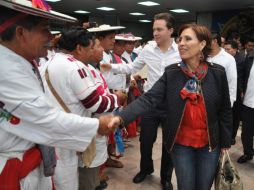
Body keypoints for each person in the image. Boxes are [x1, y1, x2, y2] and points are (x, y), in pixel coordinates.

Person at [0, 1, 114, 189]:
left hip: (33, 154)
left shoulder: (22, 61)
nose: (51, 36)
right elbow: (44, 119)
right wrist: (97, 126)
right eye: (44, 29)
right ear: (20, 33)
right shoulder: (6, 69)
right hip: (15, 163)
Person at [107, 24, 232, 190]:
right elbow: (149, 98)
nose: (181, 43)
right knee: (186, 185)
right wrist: (121, 117)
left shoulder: (218, 73)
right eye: (180, 39)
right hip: (181, 143)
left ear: (202, 44)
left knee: (204, 186)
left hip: (209, 145)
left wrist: (225, 142)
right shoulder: (172, 73)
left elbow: (224, 109)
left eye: (188, 39)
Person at [101, 13, 181, 190]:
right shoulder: (148, 49)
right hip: (150, 102)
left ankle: (166, 177)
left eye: (159, 29)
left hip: (172, 104)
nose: (155, 33)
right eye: (154, 29)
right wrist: (110, 66)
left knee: (169, 144)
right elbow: (131, 67)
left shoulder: (180, 52)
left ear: (171, 30)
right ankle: (145, 169)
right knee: (145, 140)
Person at [40, 27, 122, 190]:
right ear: (78, 48)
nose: (92, 51)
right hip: (70, 132)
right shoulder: (75, 66)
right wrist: (117, 98)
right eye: (91, 47)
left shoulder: (51, 62)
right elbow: (95, 103)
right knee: (69, 180)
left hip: (54, 132)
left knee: (59, 178)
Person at [224, 40, 245, 144]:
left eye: (228, 49)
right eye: (225, 49)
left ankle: (232, 136)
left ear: (235, 50)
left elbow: (243, 76)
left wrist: (242, 90)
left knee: (235, 116)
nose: (226, 51)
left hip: (237, 91)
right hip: (225, 90)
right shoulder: (224, 59)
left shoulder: (241, 60)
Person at [208, 32, 237, 107]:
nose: (204, 43)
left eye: (207, 40)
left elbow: (232, 82)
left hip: (221, 102)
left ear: (215, 41)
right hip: (205, 100)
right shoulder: (203, 56)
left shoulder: (229, 59)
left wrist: (229, 103)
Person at [237, 53, 254, 163]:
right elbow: (241, 76)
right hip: (248, 102)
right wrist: (241, 89)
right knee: (246, 132)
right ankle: (248, 153)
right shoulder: (249, 60)